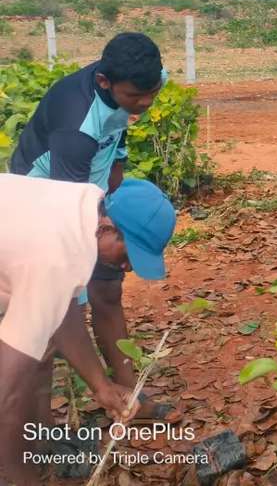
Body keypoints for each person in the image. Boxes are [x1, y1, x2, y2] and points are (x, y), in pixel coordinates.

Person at [9, 32, 174, 421]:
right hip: (47, 205)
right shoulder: (75, 128)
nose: (146, 102)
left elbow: (117, 138)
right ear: (104, 83)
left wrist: (113, 189)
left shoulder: (138, 80)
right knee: (51, 323)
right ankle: (43, 432)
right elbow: (66, 212)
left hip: (96, 199)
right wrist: (72, 288)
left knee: (108, 291)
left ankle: (129, 395)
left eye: (152, 91)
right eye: (136, 96)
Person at [0, 174, 176, 486]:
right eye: (127, 257)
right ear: (107, 229)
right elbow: (8, 392)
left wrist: (102, 386)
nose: (128, 269)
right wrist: (24, 478)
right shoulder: (52, 259)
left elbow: (63, 314)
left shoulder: (82, 204)